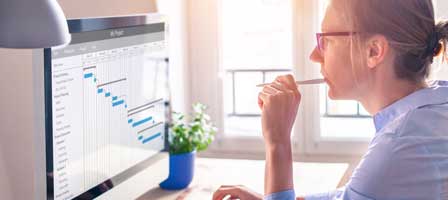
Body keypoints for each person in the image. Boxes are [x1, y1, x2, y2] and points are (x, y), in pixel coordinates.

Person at [213, 0, 448, 199]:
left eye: (326, 40)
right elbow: (353, 193)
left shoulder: (399, 146)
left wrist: (278, 142)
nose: (314, 56)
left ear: (374, 51)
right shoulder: (433, 108)